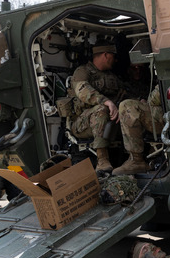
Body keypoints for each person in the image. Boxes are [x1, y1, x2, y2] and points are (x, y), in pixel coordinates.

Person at [68, 42, 122, 172]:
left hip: (107, 120)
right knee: (102, 109)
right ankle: (102, 160)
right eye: (112, 56)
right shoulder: (82, 72)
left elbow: (123, 92)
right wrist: (105, 101)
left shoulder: (111, 76)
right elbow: (83, 91)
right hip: (81, 123)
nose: (115, 60)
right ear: (105, 55)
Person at [112, 64, 163, 176]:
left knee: (127, 106)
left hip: (166, 118)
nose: (137, 71)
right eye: (134, 68)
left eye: (140, 68)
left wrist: (147, 102)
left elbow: (157, 96)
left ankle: (136, 160)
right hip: (167, 118)